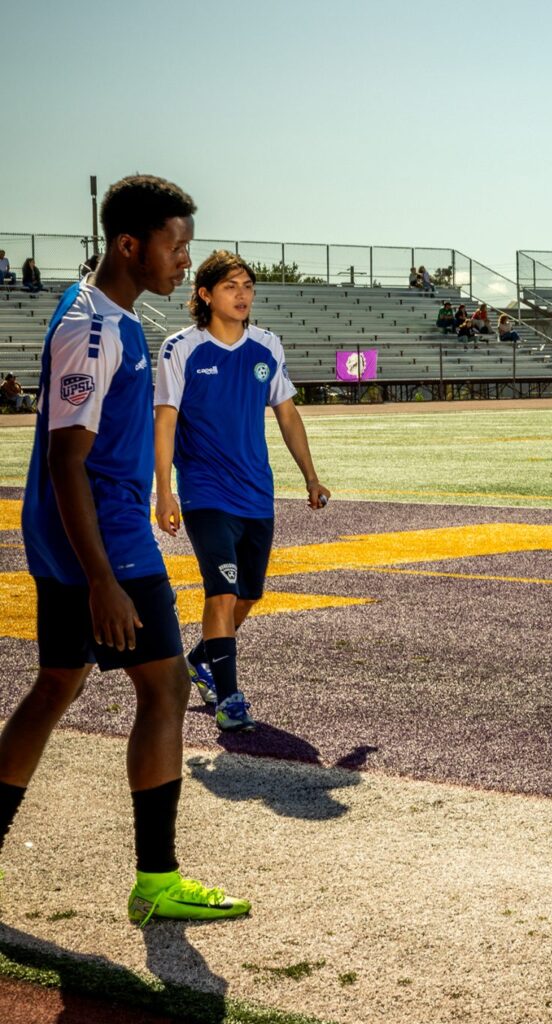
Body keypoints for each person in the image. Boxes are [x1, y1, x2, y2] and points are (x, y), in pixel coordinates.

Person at [1, 174, 251, 924]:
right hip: (103, 545)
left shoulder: (111, 319)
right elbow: (65, 461)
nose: (185, 262)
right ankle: (157, 881)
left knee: (55, 688)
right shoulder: (96, 329)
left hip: (78, 542)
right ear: (129, 245)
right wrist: (103, 579)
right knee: (167, 688)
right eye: (176, 247)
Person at [155, 251, 330, 733]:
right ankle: (230, 698)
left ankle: (199, 659)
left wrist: (310, 477)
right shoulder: (180, 348)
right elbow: (165, 419)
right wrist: (164, 491)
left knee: (247, 597)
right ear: (206, 294)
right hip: (205, 493)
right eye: (232, 286)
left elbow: (287, 414)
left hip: (257, 492)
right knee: (221, 592)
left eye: (248, 286)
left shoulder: (267, 346)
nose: (243, 294)